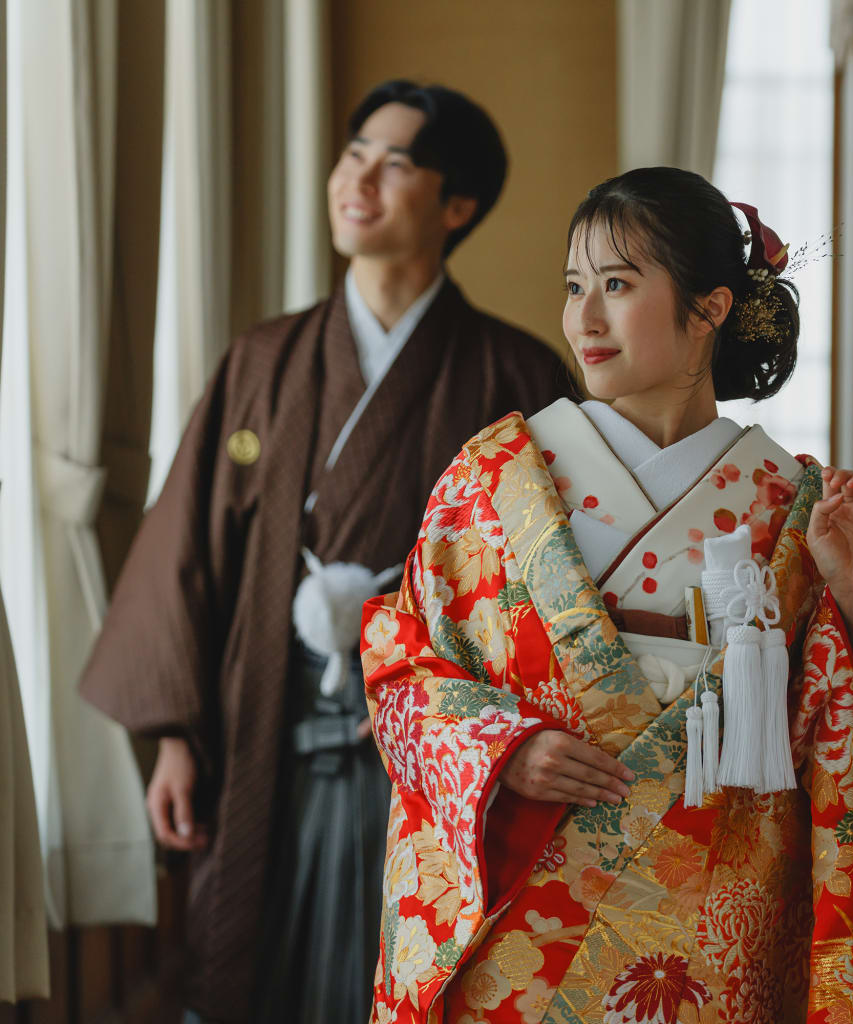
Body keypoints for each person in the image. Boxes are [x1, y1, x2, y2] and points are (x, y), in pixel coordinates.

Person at [80, 80, 570, 1024]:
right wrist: (176, 736)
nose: (361, 177)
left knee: (408, 964)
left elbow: (540, 588)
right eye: (355, 154)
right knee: (259, 962)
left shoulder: (514, 374)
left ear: (456, 205)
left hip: (429, 743)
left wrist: (458, 706)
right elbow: (191, 543)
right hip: (269, 723)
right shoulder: (263, 362)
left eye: (396, 163)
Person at [361, 167, 853, 1023]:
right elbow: (401, 664)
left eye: (617, 284)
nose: (583, 319)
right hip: (523, 921)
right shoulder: (492, 480)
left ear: (711, 307)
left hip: (706, 931)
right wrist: (504, 751)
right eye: (574, 287)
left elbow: (824, 728)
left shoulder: (790, 502)